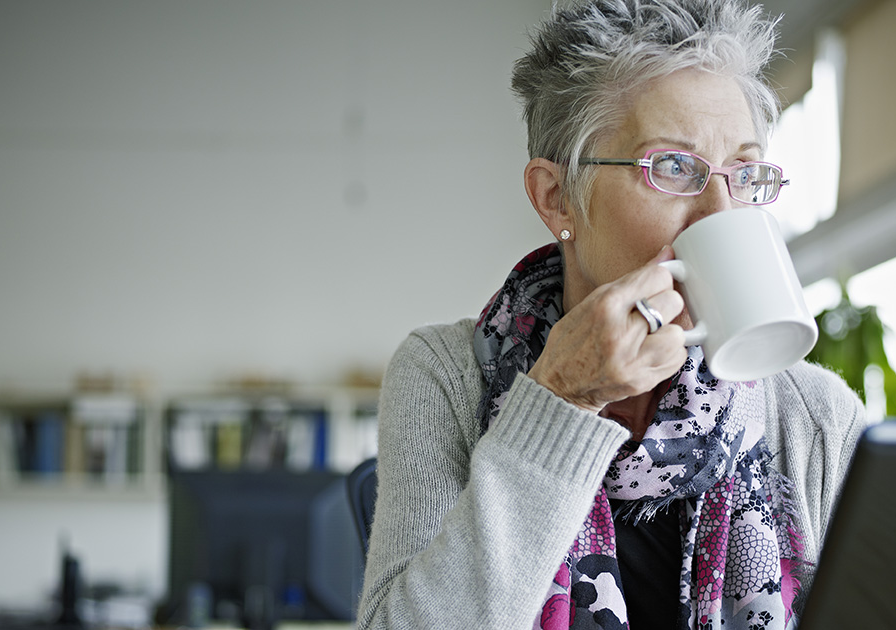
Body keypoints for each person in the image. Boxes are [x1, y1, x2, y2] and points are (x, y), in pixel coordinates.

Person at [356, 1, 865, 628]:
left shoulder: (813, 416)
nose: (721, 210)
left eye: (744, 171)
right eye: (674, 166)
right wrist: (561, 400)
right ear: (557, 196)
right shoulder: (446, 376)